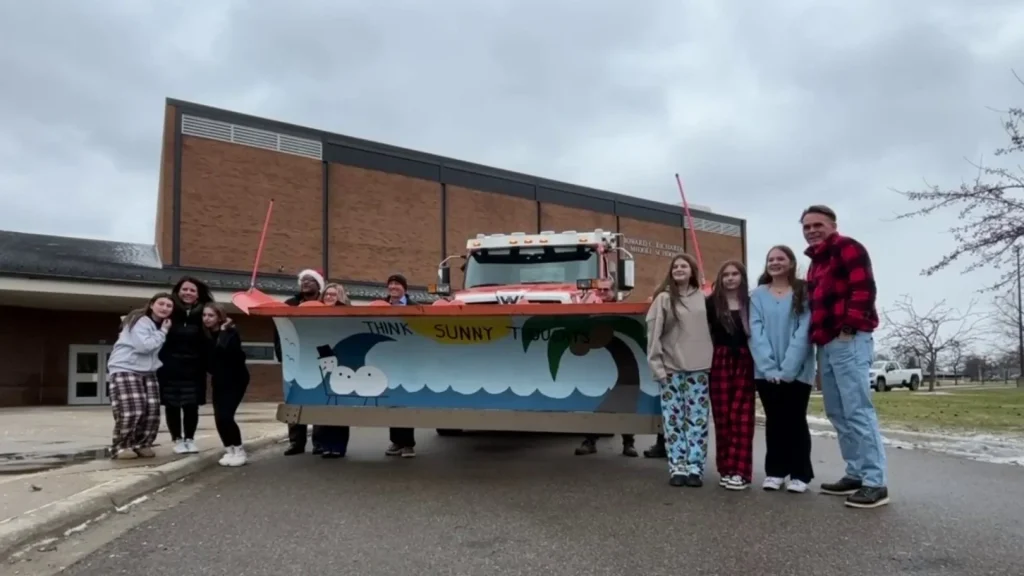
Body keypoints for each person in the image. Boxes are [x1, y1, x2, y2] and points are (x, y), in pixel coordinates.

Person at [801, 205, 888, 509]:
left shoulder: (847, 248)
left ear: (832, 225)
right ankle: (855, 472)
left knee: (858, 410)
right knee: (837, 412)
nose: (812, 230)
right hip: (826, 344)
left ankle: (875, 482)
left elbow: (864, 290)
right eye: (807, 226)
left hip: (849, 339)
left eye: (817, 225)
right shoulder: (815, 265)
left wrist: (849, 328)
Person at [749, 245, 816, 493]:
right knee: (774, 420)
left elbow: (804, 331)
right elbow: (756, 332)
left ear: (791, 262)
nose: (775, 262)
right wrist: (768, 368)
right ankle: (775, 471)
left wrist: (787, 369)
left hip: (798, 371)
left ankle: (800, 474)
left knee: (796, 420)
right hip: (765, 371)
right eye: (770, 259)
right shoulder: (757, 295)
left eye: (780, 258)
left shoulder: (803, 291)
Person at [646, 253, 714, 487]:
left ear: (693, 270)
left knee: (698, 422)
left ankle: (696, 468)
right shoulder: (663, 299)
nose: (679, 269)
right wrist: (658, 368)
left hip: (700, 369)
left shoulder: (705, 298)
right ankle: (678, 467)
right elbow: (653, 335)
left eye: (684, 265)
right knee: (673, 422)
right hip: (672, 369)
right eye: (675, 266)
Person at [706, 260, 755, 491]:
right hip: (720, 360)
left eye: (735, 274)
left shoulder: (751, 303)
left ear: (742, 277)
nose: (730, 278)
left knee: (742, 417)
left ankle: (741, 471)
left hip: (745, 360)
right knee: (723, 416)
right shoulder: (711, 304)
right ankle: (726, 468)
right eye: (726, 274)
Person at [106, 293, 174, 459]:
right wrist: (164, 331)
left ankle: (142, 443)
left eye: (169, 306)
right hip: (126, 367)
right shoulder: (140, 321)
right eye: (161, 304)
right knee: (132, 410)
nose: (165, 308)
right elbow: (144, 346)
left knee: (151, 411)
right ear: (151, 305)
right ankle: (121, 446)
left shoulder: (159, 325)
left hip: (148, 371)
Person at [159, 276, 214, 455]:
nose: (188, 293)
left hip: (194, 368)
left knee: (191, 405)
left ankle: (190, 438)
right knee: (172, 404)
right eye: (185, 289)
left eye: (192, 290)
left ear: (198, 295)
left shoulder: (203, 314)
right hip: (170, 366)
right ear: (178, 291)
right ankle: (177, 439)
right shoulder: (169, 310)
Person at [277, 268, 328, 456]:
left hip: (318, 357)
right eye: (303, 280)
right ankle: (296, 442)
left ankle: (319, 442)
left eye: (310, 280)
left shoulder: (325, 305)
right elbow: (280, 331)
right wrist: (282, 355)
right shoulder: (290, 304)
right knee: (295, 400)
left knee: (319, 401)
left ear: (318, 285)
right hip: (295, 358)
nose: (306, 283)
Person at [202, 303, 251, 467]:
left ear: (219, 317)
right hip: (219, 379)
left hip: (236, 379)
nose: (206, 319)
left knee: (226, 415)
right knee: (218, 417)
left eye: (211, 315)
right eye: (204, 315)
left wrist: (223, 331)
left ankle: (239, 450)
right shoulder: (205, 336)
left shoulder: (230, 333)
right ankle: (229, 450)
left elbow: (224, 351)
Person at [382, 273, 417, 458]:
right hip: (388, 360)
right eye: (391, 284)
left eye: (397, 284)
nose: (393, 287)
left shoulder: (415, 308)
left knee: (406, 401)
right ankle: (396, 441)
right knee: (392, 401)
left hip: (408, 360)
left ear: (405, 288)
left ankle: (408, 444)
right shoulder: (380, 305)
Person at [317, 282, 352, 459]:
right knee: (325, 404)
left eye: (333, 294)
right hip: (323, 351)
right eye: (326, 294)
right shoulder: (314, 312)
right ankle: (326, 445)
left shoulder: (347, 313)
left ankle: (338, 446)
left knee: (340, 404)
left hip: (342, 356)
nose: (329, 297)